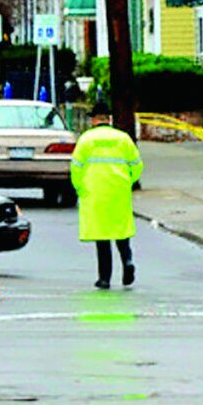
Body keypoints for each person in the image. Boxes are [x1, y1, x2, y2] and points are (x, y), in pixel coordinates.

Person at [70, 112, 143, 289]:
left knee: (101, 235)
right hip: (119, 189)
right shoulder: (123, 138)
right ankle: (127, 261)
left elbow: (76, 167)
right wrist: (129, 181)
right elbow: (137, 165)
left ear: (93, 120)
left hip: (95, 191)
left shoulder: (86, 139)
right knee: (121, 229)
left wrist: (80, 188)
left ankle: (104, 278)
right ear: (108, 119)